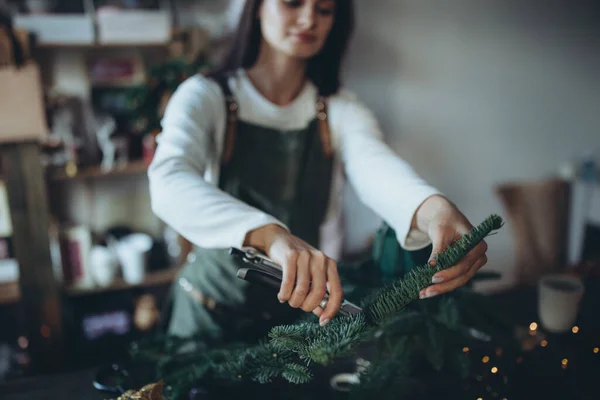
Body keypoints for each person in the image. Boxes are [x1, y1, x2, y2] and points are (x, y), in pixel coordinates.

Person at [148, 0, 488, 341]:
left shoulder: (338, 109)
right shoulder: (205, 96)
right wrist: (271, 236)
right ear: (257, 8)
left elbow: (377, 167)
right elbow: (169, 179)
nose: (309, 18)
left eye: (324, 9)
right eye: (293, 3)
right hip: (205, 312)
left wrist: (434, 209)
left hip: (292, 322)